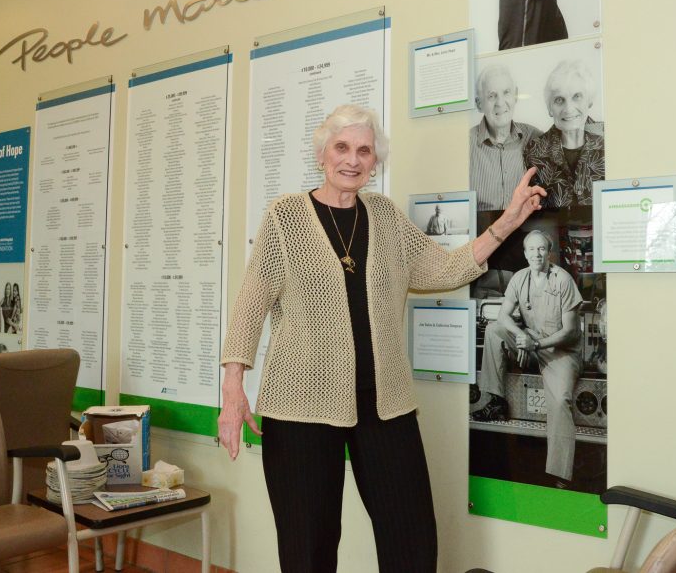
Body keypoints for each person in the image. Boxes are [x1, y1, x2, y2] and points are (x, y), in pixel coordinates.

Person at [218, 104, 546, 572]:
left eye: (364, 151)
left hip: (384, 402)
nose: (352, 159)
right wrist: (233, 390)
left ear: (375, 163)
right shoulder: (285, 217)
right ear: (323, 154)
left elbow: (447, 267)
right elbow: (252, 302)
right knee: (307, 548)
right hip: (300, 407)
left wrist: (510, 220)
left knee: (412, 541)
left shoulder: (386, 216)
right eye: (342, 147)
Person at [471, 230, 582, 487]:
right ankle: (495, 400)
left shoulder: (562, 280)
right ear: (525, 253)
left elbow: (570, 331)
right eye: (531, 249)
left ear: (549, 252)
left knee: (560, 401)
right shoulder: (520, 279)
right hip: (531, 341)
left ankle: (560, 475)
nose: (536, 254)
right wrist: (522, 336)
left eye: (541, 249)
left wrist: (535, 343)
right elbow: (503, 317)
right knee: (494, 331)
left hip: (560, 351)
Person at [523, 59, 605, 208]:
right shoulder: (533, 151)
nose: (568, 108)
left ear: (590, 101)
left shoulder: (609, 142)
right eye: (559, 100)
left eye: (577, 96)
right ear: (549, 108)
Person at [469, 64, 544, 211]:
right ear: (479, 104)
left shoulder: (534, 137)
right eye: (491, 96)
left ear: (515, 95)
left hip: (525, 230)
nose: (500, 103)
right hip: (482, 232)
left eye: (506, 92)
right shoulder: (465, 145)